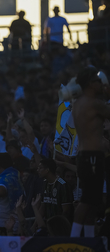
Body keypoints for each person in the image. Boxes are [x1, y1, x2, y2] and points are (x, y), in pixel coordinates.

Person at [71, 66, 110, 237]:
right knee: (87, 200)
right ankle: (73, 239)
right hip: (92, 157)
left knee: (93, 202)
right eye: (96, 80)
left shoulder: (79, 103)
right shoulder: (93, 103)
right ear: (89, 84)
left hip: (87, 156)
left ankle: (88, 240)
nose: (100, 83)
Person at [0, 152, 24, 229]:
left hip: (3, 226)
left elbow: (1, 191)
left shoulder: (6, 177)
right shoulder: (14, 174)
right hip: (6, 223)